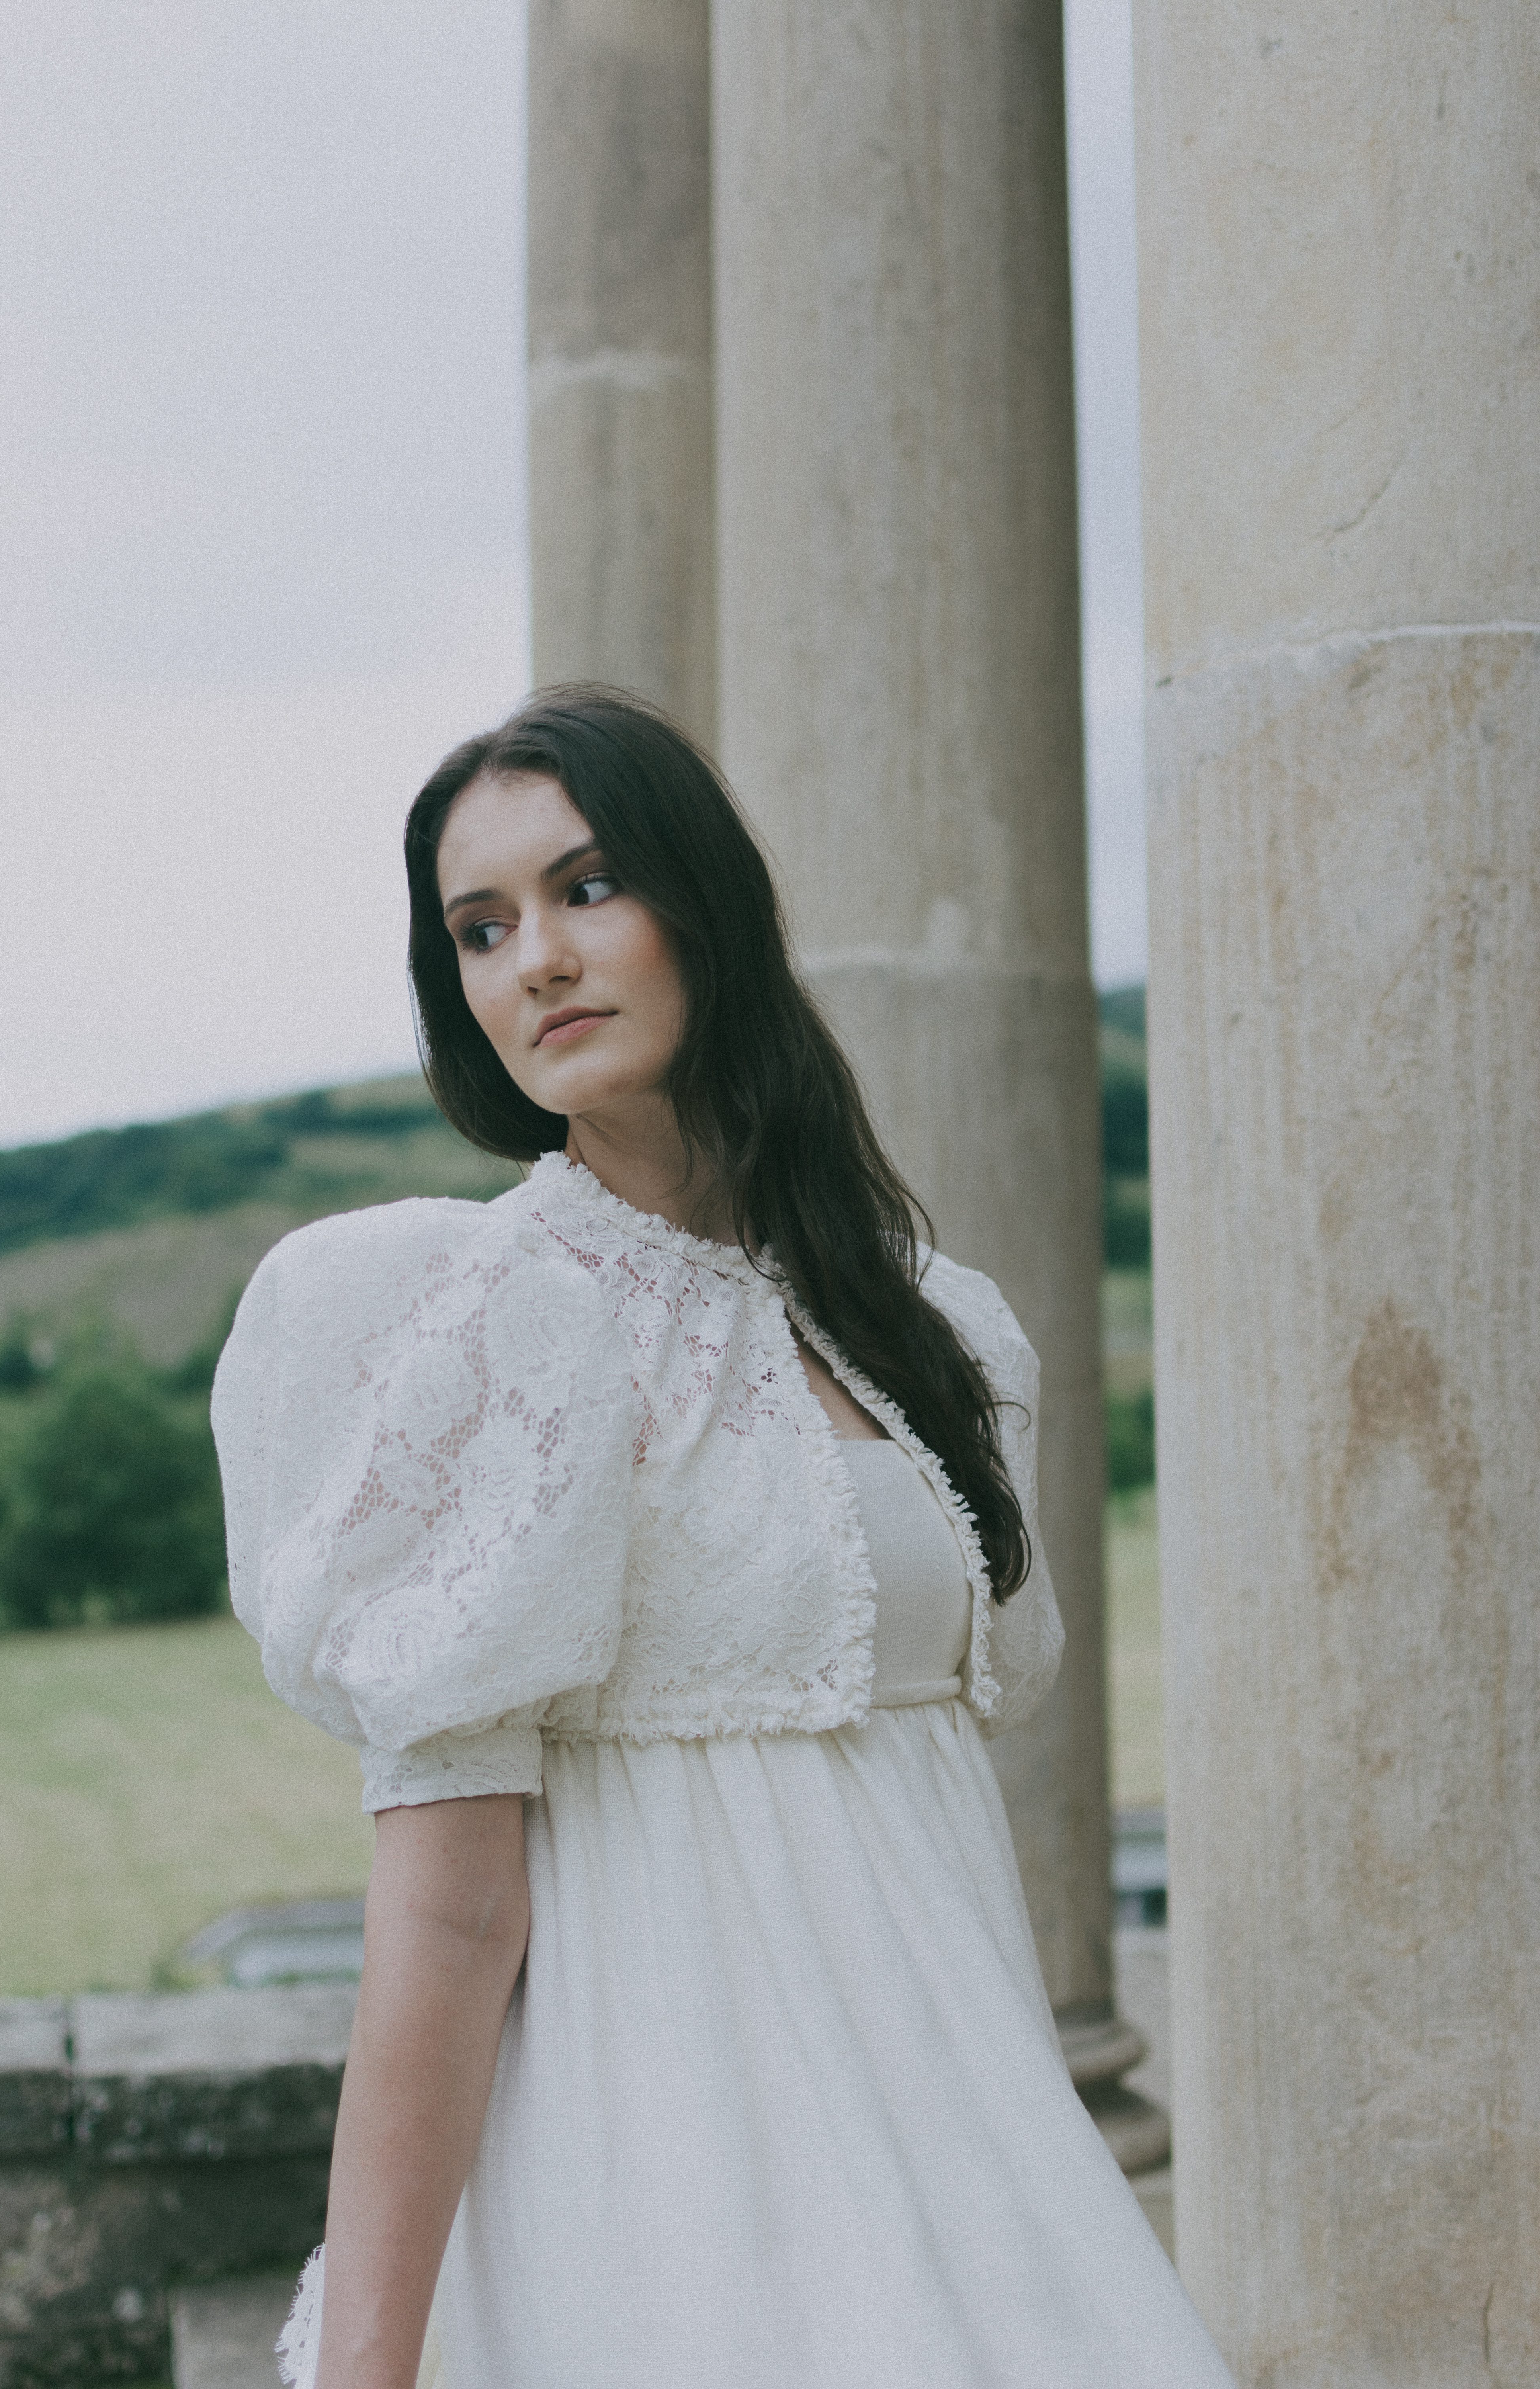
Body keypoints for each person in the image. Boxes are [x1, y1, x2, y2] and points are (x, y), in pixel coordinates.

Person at [212, 686, 1233, 2389]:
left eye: (587, 888)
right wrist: (366, 2372)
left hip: (973, 2173)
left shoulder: (936, 1332)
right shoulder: (485, 1325)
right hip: (660, 2201)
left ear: (711, 909)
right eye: (481, 927)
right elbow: (449, 1918)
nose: (535, 957)